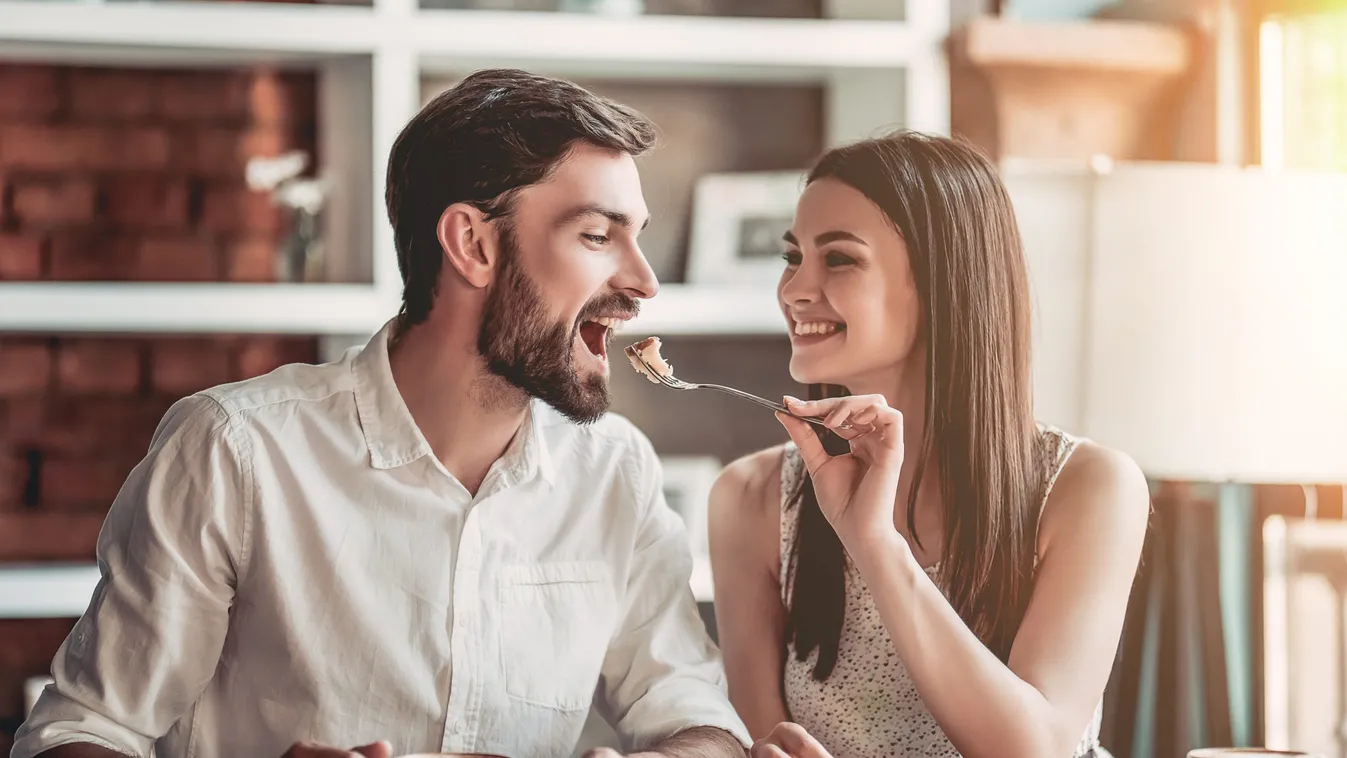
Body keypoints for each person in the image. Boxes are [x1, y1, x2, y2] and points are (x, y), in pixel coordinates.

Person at [14, 68, 750, 758]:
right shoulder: (235, 450)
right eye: (597, 235)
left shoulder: (614, 470)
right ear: (471, 244)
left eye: (637, 235)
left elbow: (694, 711)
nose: (643, 281)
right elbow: (84, 729)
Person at [707, 131, 1149, 758]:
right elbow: (766, 743)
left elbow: (1038, 749)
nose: (793, 290)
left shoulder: (1090, 487)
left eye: (838, 258)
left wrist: (875, 544)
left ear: (945, 280)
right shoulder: (749, 498)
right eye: (792, 256)